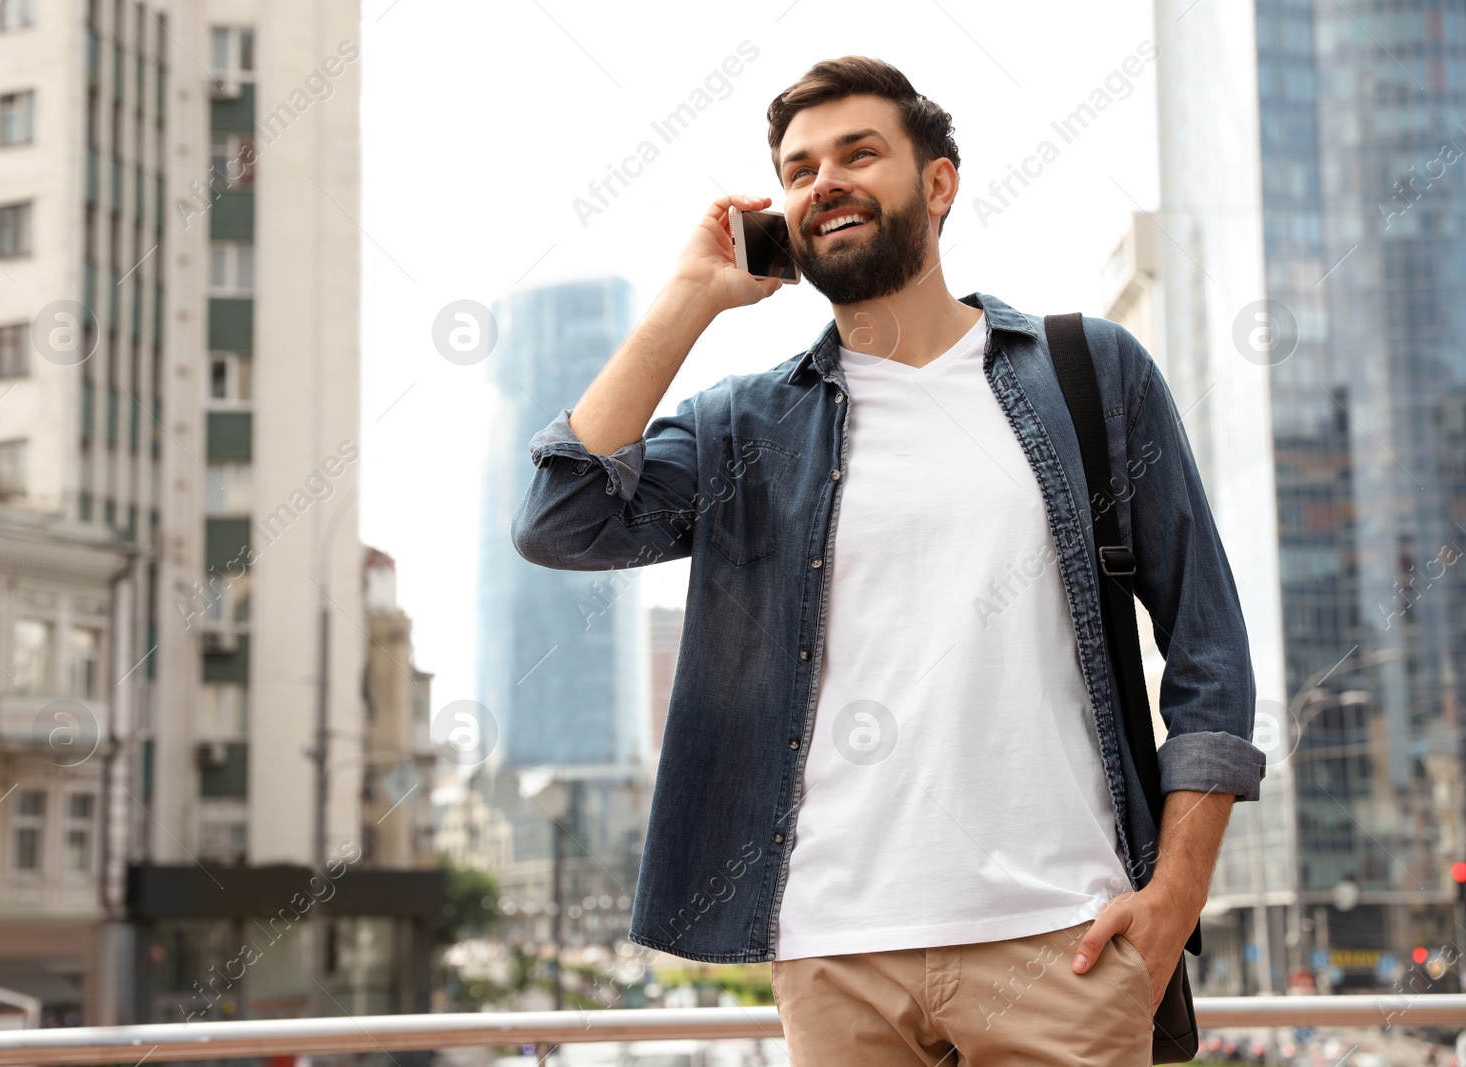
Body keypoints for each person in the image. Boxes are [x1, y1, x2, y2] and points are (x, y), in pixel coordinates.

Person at [511, 56, 1265, 1064]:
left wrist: (1175, 893)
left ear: (939, 182)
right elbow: (562, 519)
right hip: (834, 953)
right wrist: (691, 294)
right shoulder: (745, 425)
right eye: (797, 167)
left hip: (1063, 939)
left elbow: (1208, 649)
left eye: (858, 152)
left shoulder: (1089, 372)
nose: (824, 179)